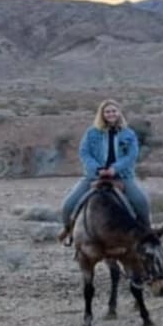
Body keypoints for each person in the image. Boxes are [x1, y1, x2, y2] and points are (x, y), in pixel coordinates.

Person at [59, 99, 152, 243]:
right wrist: (97, 168)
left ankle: (147, 235)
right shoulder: (92, 133)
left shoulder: (128, 134)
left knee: (141, 202)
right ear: (102, 114)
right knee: (68, 205)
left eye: (114, 111)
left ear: (119, 113)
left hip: (122, 177)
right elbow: (84, 153)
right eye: (107, 112)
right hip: (94, 176)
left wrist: (115, 169)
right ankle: (68, 230)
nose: (111, 114)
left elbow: (131, 155)